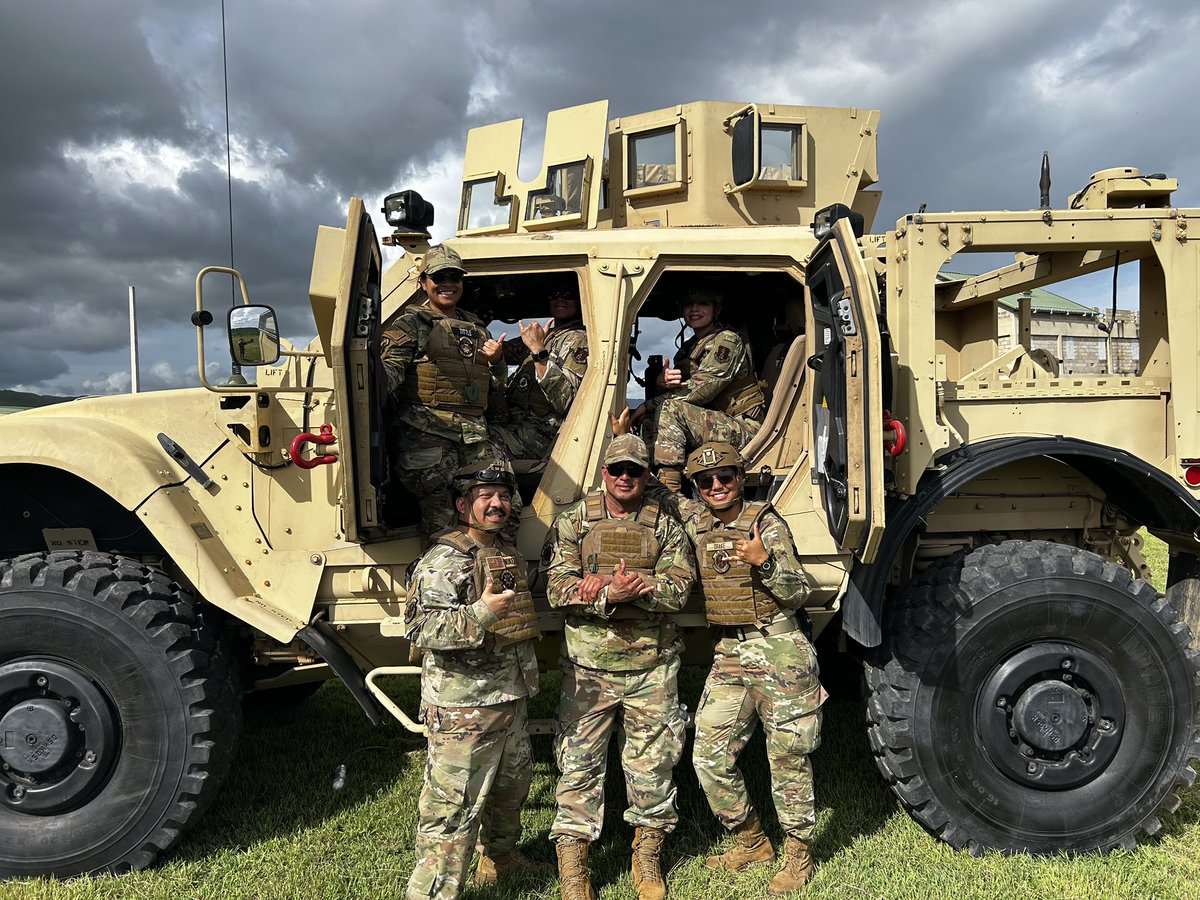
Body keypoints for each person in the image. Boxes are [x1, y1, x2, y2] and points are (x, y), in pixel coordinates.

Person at [543, 434, 696, 900]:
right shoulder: (574, 522)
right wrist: (610, 595)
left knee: (652, 767)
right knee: (578, 767)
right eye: (617, 470)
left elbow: (680, 589)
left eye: (635, 470)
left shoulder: (665, 527)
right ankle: (574, 869)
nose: (625, 477)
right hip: (590, 669)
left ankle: (646, 855)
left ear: (648, 475)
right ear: (603, 474)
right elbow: (556, 589)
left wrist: (633, 587)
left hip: (652, 667)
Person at [683, 442, 826, 897]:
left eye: (724, 477)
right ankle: (752, 840)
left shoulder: (766, 523)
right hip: (730, 652)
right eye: (705, 481)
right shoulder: (699, 523)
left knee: (787, 757)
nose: (716, 486)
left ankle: (799, 853)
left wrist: (764, 564)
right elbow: (659, 493)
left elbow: (800, 590)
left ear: (740, 478)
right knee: (708, 754)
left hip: (778, 648)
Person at [403, 460, 542, 899]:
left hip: (509, 695)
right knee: (452, 809)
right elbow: (421, 629)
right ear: (465, 506)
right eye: (486, 497)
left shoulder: (505, 551)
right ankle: (432, 893)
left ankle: (499, 859)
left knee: (511, 789)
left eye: (503, 496)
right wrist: (482, 613)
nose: (496, 504)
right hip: (465, 707)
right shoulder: (443, 561)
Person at [380, 245, 516, 538]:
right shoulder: (411, 324)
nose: (448, 283)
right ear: (423, 282)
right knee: (441, 522)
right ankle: (441, 580)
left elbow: (494, 387)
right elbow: (389, 372)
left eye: (455, 276)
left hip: (475, 435)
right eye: (439, 276)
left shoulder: (477, 328)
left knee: (502, 512)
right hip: (428, 436)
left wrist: (497, 363)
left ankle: (494, 575)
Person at [634, 285, 766, 492]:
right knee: (651, 421)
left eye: (703, 303)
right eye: (689, 304)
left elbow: (701, 390)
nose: (694, 309)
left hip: (744, 427)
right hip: (717, 421)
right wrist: (662, 383)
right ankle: (651, 481)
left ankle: (669, 494)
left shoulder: (727, 341)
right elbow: (680, 390)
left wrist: (648, 404)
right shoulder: (690, 347)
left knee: (669, 410)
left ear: (717, 309)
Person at [493, 276, 589, 460]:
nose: (560, 299)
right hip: (516, 424)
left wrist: (538, 350)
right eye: (554, 294)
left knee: (479, 449)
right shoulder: (550, 336)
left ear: (580, 299)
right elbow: (504, 351)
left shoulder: (578, 340)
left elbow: (566, 402)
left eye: (568, 294)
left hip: (543, 434)